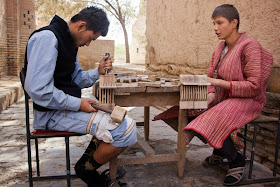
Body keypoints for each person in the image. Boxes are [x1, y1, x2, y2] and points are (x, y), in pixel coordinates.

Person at [24, 6, 137, 186]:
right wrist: (78, 104)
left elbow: (75, 80)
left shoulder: (69, 43)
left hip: (62, 108)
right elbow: (38, 90)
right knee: (125, 129)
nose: (88, 44)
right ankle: (87, 170)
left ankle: (87, 166)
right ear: (82, 26)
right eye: (91, 38)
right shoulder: (47, 39)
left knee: (116, 120)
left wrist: (97, 72)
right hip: (50, 114)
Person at [182, 4, 273, 186]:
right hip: (225, 99)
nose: (215, 28)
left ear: (234, 23)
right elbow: (210, 78)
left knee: (210, 118)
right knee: (188, 111)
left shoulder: (250, 45)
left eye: (219, 23)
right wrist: (209, 96)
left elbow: (254, 86)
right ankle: (221, 149)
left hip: (249, 101)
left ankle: (235, 159)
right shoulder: (219, 49)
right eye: (213, 23)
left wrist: (218, 83)